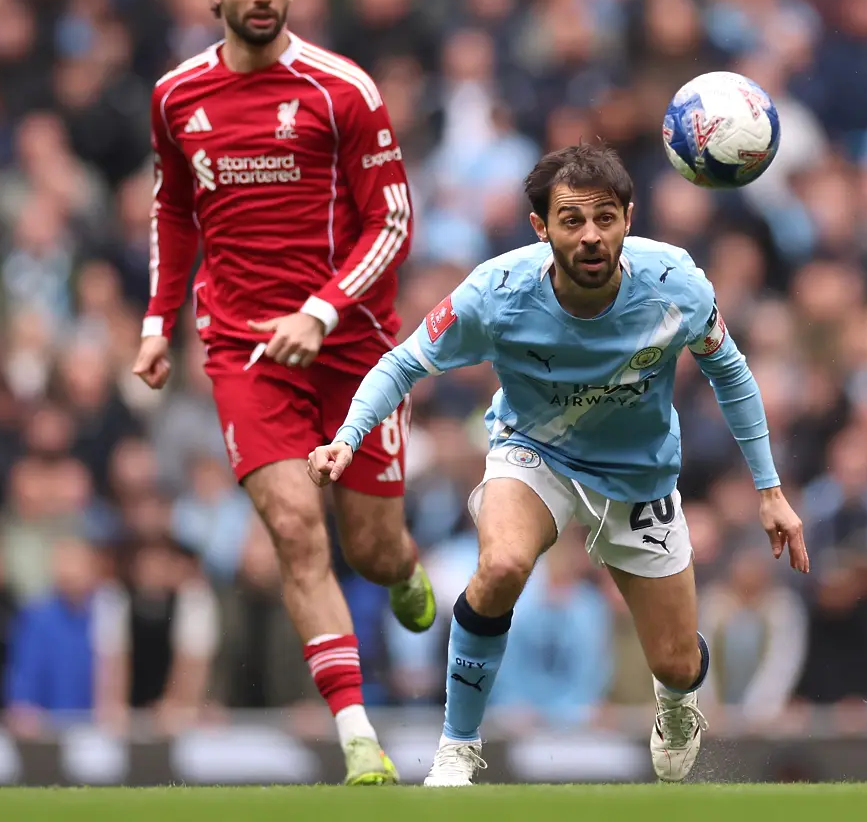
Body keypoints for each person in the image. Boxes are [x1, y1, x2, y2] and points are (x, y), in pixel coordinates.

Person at [309, 143, 811, 785]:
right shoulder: (495, 293)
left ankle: (678, 702)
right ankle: (458, 745)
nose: (592, 236)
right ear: (540, 228)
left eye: (605, 218)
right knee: (502, 565)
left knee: (677, 661)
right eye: (572, 221)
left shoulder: (676, 283)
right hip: (533, 452)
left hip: (638, 478)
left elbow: (731, 373)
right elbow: (404, 362)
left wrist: (769, 490)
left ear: (629, 217)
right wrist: (348, 437)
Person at [130, 0, 432, 785]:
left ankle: (402, 568)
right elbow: (174, 210)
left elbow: (394, 220)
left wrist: (323, 313)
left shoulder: (343, 89)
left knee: (370, 551)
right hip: (243, 352)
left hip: (352, 351)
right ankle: (358, 741)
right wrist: (157, 322)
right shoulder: (176, 97)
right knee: (296, 530)